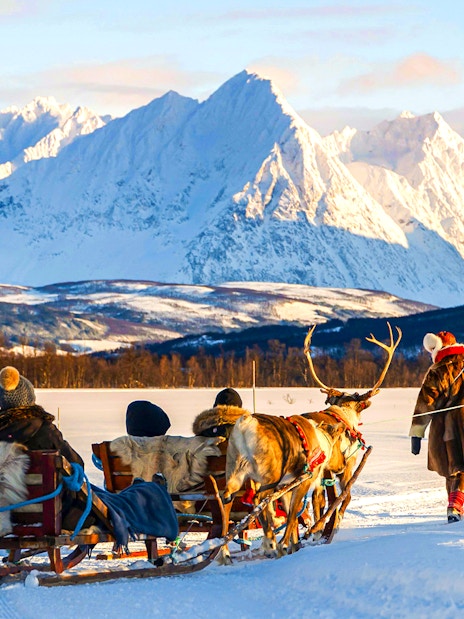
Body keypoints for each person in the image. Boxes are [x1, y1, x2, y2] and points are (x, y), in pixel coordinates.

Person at [0, 365, 95, 530]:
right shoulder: (46, 431)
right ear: (29, 399)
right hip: (50, 513)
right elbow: (75, 465)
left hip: (7, 516)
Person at [409, 330, 464, 522]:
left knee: (454, 467)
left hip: (448, 428)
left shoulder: (438, 370)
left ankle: (454, 507)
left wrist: (417, 433)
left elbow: (426, 403)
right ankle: (456, 506)